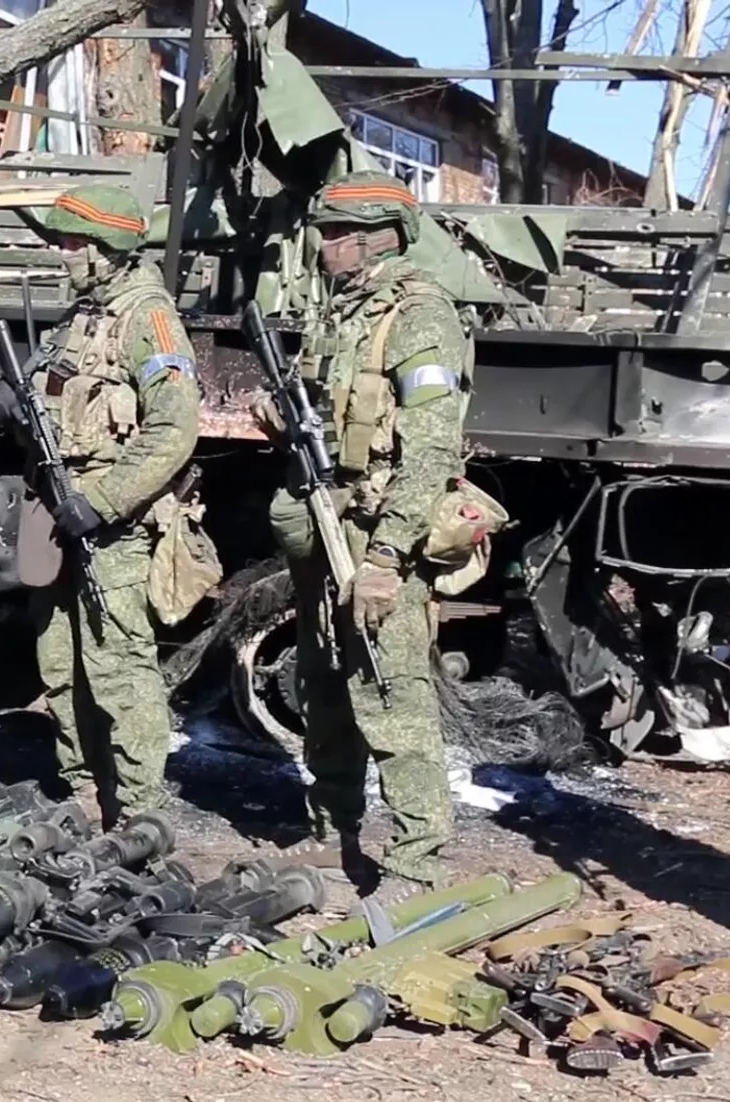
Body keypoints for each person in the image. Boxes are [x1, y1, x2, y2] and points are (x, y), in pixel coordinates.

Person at [264, 170, 475, 899]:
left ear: (375, 236)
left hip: (380, 530)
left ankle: (416, 862)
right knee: (324, 680)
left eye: (334, 234)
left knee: (393, 693)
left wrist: (388, 554)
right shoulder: (343, 312)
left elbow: (431, 448)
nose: (322, 247)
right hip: (327, 517)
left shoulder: (420, 317)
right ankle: (336, 832)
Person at [22, 185, 200, 822]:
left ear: (107, 250)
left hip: (111, 524)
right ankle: (80, 789)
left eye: (72, 242)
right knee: (59, 661)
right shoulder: (80, 316)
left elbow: (174, 426)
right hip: (55, 507)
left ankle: (138, 813)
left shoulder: (146, 319)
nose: (62, 253)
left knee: (118, 667)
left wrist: (102, 499)